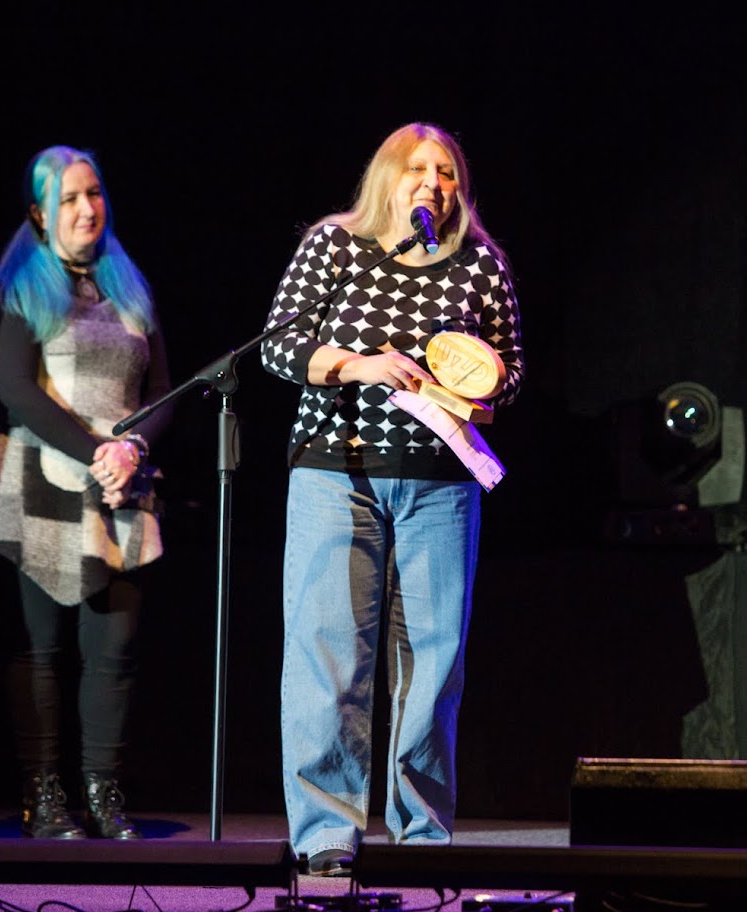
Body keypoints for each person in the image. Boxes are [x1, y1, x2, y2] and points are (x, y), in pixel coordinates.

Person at [260, 122, 524, 876]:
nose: (433, 184)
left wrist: (478, 384)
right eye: (417, 169)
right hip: (335, 474)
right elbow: (279, 345)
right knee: (329, 655)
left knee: (432, 664)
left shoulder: (480, 264)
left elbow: (511, 371)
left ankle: (422, 837)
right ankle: (325, 836)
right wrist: (356, 364)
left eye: (447, 173)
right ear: (386, 178)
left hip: (441, 486)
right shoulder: (335, 246)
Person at [0, 144, 172, 840]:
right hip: (43, 477)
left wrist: (131, 449)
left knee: (114, 648)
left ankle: (103, 794)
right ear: (39, 213)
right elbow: (15, 389)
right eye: (69, 199)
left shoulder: (129, 288)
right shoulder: (25, 286)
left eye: (94, 194)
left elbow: (162, 388)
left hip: (121, 485)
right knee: (42, 648)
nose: (87, 209)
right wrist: (98, 451)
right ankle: (45, 795)